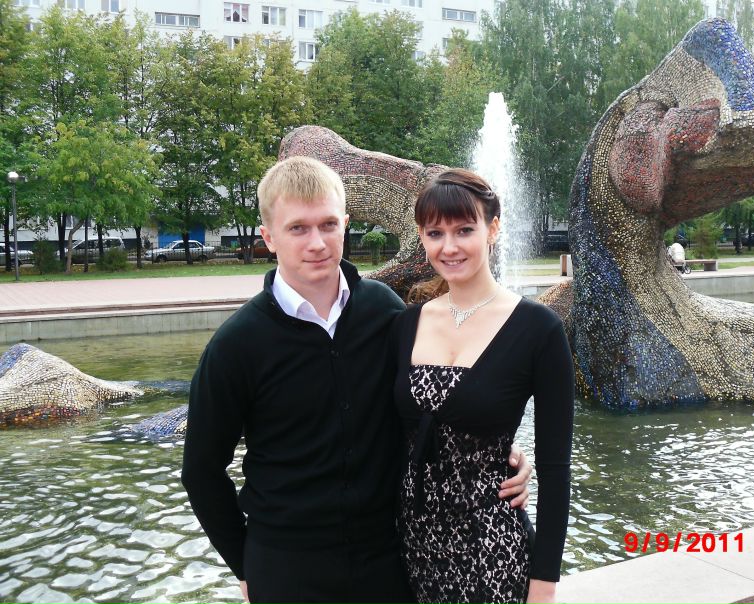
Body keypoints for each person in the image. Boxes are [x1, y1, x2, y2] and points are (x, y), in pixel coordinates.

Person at [180, 156, 532, 604]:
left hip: (388, 558)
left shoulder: (384, 312)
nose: (317, 243)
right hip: (287, 567)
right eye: (297, 228)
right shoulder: (236, 345)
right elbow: (202, 471)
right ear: (268, 238)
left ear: (345, 225)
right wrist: (244, 563)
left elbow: (430, 406)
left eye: (328, 224)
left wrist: (497, 453)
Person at [391, 169, 574, 604]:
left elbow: (555, 469)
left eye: (464, 230)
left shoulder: (538, 329)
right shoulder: (405, 325)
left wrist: (544, 584)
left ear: (492, 229)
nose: (449, 247)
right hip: (409, 550)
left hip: (492, 551)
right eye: (435, 233)